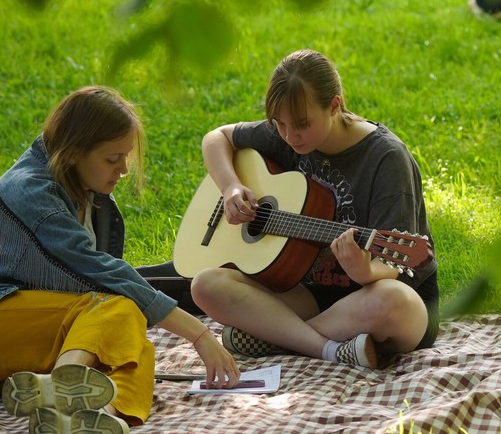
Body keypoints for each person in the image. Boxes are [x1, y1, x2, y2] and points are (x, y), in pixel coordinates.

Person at [0, 86, 240, 434]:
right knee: (119, 308)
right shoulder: (35, 196)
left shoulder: (80, 183)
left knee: (133, 350)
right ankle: (63, 383)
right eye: (113, 158)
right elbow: (106, 276)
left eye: (126, 157)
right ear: (72, 154)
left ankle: (98, 418)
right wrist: (200, 335)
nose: (123, 168)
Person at [188, 49, 438, 369]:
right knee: (206, 285)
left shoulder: (387, 159)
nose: (290, 136)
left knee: (394, 301)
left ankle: (276, 336)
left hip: (375, 301)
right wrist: (230, 187)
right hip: (309, 295)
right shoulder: (292, 128)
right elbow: (216, 138)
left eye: (302, 125)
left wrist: (365, 271)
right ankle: (328, 348)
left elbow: (394, 266)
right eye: (279, 125)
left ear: (334, 106)